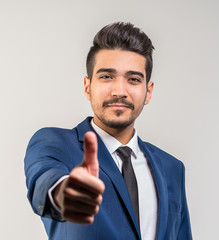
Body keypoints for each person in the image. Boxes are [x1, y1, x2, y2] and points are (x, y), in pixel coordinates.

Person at [24, 22, 192, 240]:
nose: (120, 91)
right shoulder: (55, 143)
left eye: (133, 79)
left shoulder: (172, 168)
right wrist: (64, 193)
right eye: (106, 76)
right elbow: (44, 179)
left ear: (148, 92)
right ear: (87, 86)